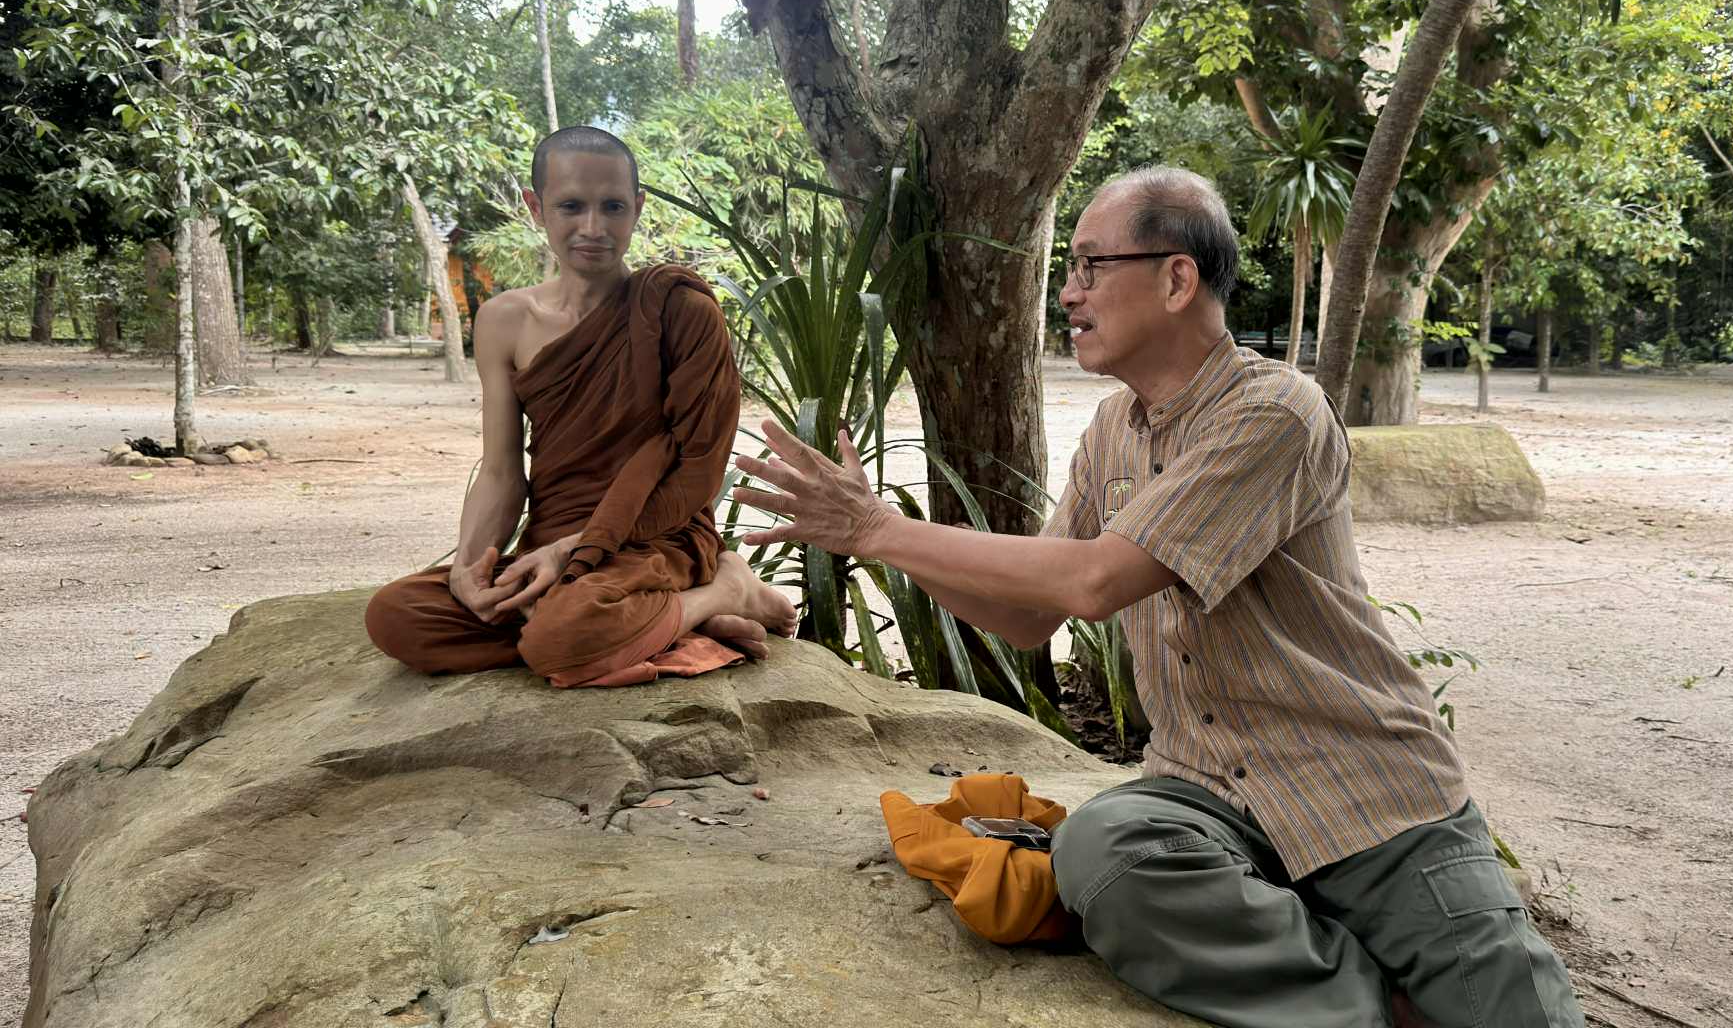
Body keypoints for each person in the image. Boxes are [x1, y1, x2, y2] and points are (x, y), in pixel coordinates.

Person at [729, 167, 1583, 1027]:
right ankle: (1378, 1011)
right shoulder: (1112, 432)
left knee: (1521, 1017)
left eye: (1090, 265)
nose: (1069, 293)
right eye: (1070, 270)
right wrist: (873, 538)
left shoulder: (1274, 411)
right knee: (1103, 855)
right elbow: (1029, 617)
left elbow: (1097, 580)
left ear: (1177, 279)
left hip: (1363, 794)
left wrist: (877, 528)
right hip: (1204, 793)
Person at [366, 126, 796, 688]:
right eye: (571, 206)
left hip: (656, 537)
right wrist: (469, 571)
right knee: (398, 615)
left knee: (560, 638)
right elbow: (500, 473)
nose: (593, 228)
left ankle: (723, 591)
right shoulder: (503, 321)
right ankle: (656, 622)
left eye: (612, 207)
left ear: (637, 208)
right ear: (536, 207)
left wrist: (575, 552)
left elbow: (698, 476)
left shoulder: (679, 310)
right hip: (552, 541)